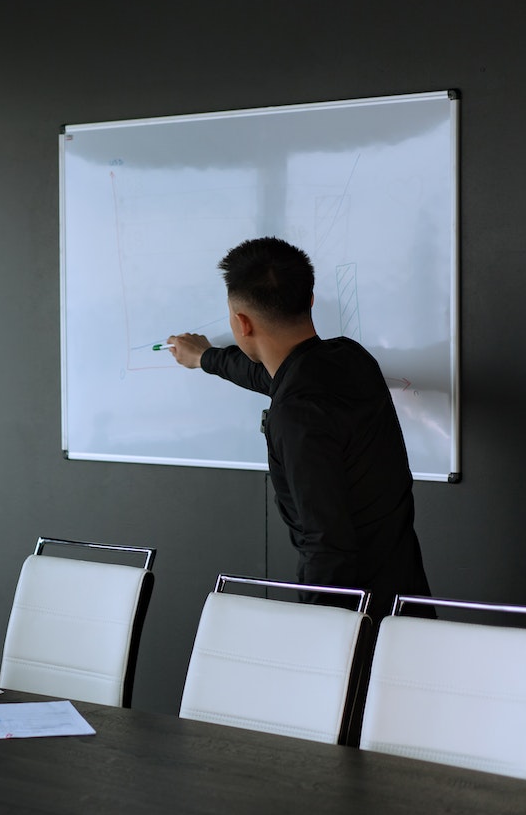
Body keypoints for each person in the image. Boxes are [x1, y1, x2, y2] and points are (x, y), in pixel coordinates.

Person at [166, 236, 431, 620]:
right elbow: (275, 374)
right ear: (309, 300)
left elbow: (326, 545)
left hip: (356, 625)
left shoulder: (296, 415)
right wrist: (206, 357)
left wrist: (315, 637)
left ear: (241, 323)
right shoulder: (351, 358)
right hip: (406, 604)